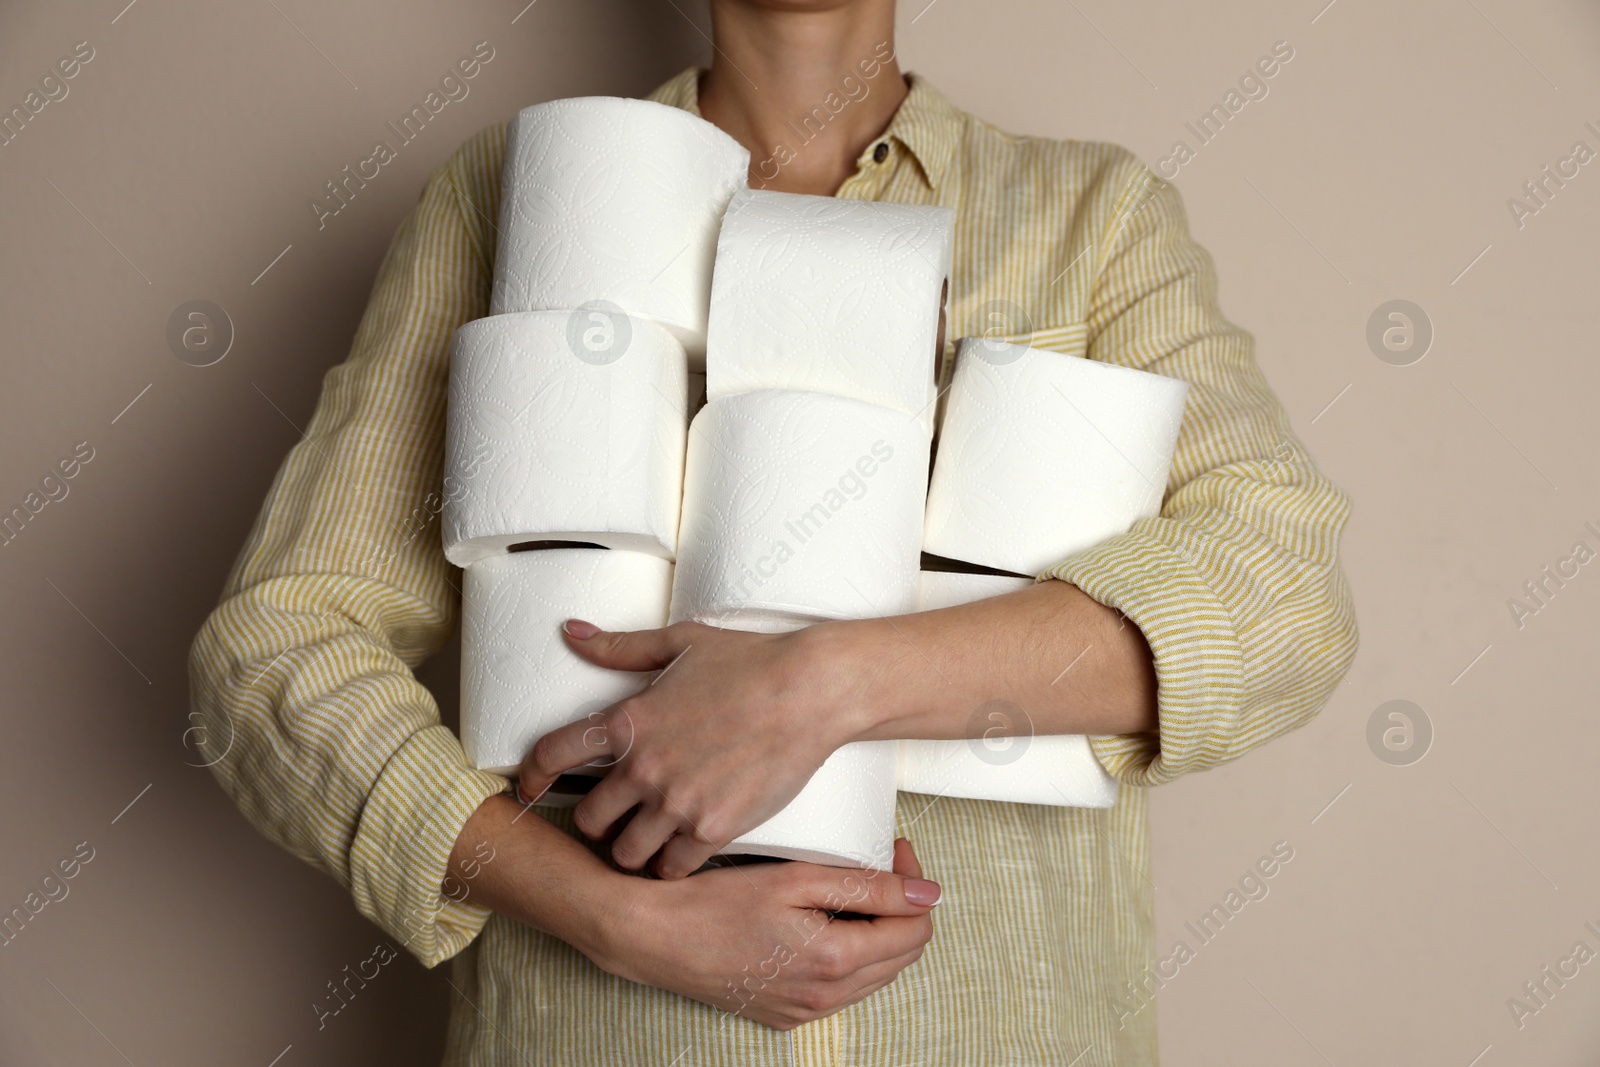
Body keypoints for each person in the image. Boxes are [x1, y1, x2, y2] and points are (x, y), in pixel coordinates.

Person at [188, 0, 1357, 1062]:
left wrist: (816, 686)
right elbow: (274, 648)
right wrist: (611, 914)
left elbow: (1282, 592)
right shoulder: (519, 189)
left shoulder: (1092, 219)